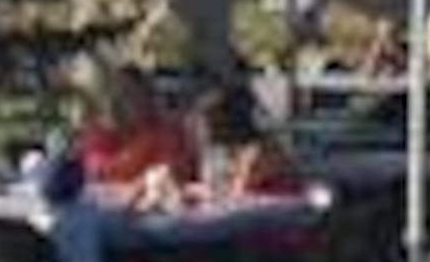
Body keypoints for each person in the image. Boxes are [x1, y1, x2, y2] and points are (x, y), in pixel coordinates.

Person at [80, 64, 197, 195]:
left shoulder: (165, 131)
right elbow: (98, 173)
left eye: (134, 92)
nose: (129, 100)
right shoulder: (100, 133)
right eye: (122, 94)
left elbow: (168, 172)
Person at [195, 83, 304, 198]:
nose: (205, 128)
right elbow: (216, 188)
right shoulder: (219, 153)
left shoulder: (260, 151)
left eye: (212, 119)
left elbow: (236, 193)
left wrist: (209, 192)